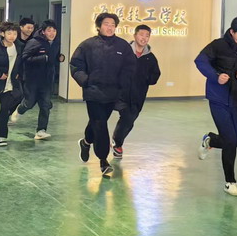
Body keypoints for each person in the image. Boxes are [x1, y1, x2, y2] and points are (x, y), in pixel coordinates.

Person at [195, 16, 237, 197]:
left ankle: (210, 140)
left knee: (233, 140)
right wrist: (215, 76)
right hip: (218, 98)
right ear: (232, 32)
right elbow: (200, 61)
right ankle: (230, 182)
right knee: (230, 139)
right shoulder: (218, 45)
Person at [70, 12, 133, 177]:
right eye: (106, 24)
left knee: (97, 121)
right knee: (100, 124)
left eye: (113, 25)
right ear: (98, 26)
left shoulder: (122, 46)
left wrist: (122, 85)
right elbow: (76, 65)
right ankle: (103, 160)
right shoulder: (87, 45)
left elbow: (129, 67)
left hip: (113, 93)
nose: (110, 27)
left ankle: (85, 142)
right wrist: (86, 80)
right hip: (93, 92)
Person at [112, 24, 161, 159]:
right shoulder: (123, 52)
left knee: (130, 120)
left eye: (147, 36)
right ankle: (111, 142)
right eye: (141, 35)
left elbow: (155, 76)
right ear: (135, 36)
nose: (144, 38)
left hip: (137, 96)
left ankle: (117, 142)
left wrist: (145, 78)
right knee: (121, 116)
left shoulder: (150, 58)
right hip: (119, 93)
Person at [8, 20, 61, 139]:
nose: (52, 33)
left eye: (54, 31)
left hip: (47, 80)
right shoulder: (34, 42)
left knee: (45, 105)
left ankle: (41, 130)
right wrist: (43, 58)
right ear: (43, 31)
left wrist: (59, 58)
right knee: (29, 102)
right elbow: (25, 58)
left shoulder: (56, 43)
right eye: (49, 30)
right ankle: (19, 110)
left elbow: (52, 58)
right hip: (32, 79)